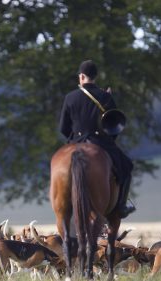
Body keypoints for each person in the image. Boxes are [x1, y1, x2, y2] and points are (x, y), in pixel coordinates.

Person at [59, 60, 136, 218]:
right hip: (100, 142)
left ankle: (61, 202)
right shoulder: (105, 97)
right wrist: (110, 140)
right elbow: (115, 124)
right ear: (95, 76)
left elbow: (63, 128)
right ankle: (122, 205)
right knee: (127, 166)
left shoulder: (70, 97)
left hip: (76, 141)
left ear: (81, 76)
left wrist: (73, 140)